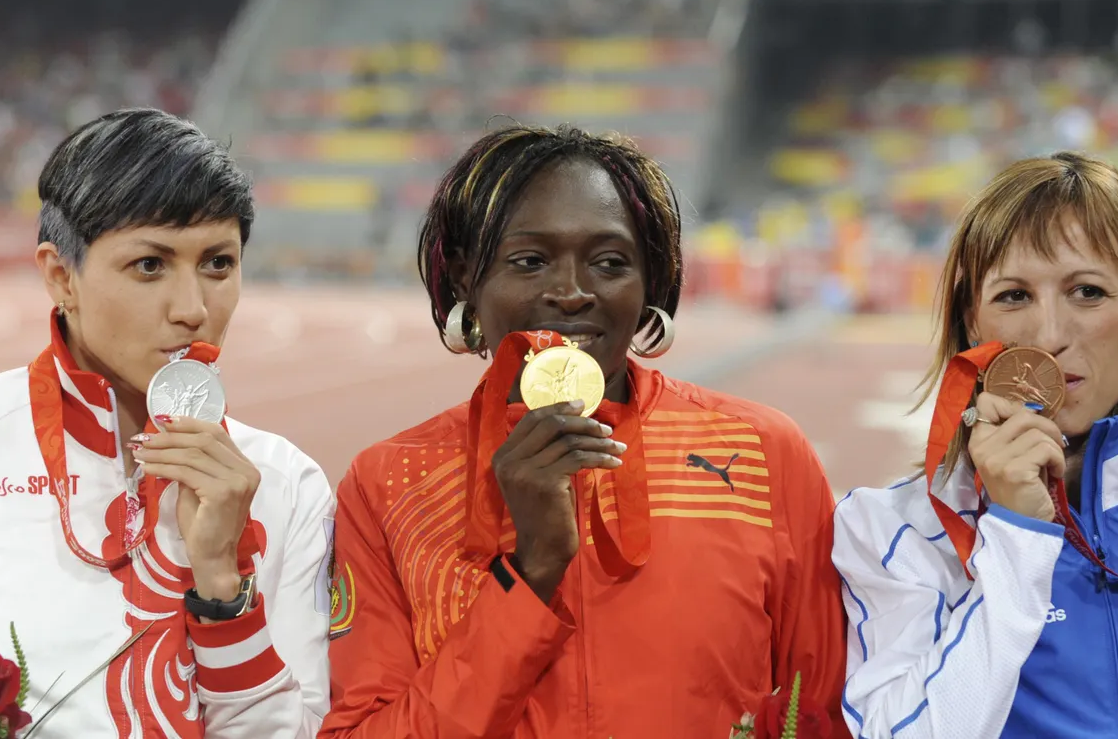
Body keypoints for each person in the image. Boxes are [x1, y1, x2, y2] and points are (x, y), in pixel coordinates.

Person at [319, 125, 851, 738]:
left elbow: (817, 714)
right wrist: (530, 573)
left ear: (650, 279)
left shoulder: (763, 453)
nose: (571, 293)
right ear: (466, 277)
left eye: (609, 262)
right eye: (529, 261)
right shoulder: (391, 483)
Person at [832, 151, 1118, 737]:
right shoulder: (893, 535)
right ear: (973, 322)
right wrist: (1015, 540)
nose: (1049, 335)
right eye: (1014, 296)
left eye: (1087, 292)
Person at [0, 108, 334, 737]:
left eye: (218, 264)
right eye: (150, 265)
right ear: (61, 276)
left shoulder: (288, 486)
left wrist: (224, 589)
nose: (194, 309)